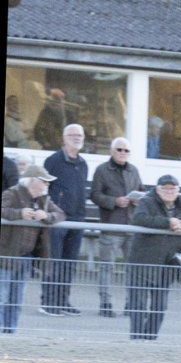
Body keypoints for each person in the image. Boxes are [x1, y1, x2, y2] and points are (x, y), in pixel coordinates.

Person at [126, 175, 181, 340]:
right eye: (165, 188)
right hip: (142, 260)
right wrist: (168, 222)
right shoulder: (147, 201)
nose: (169, 191)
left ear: (178, 190)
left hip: (167, 262)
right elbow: (139, 218)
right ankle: (137, 339)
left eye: (172, 188)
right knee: (137, 304)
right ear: (157, 189)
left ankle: (150, 338)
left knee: (160, 305)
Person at [0, 165, 65, 333]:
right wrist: (19, 213)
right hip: (6, 255)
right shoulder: (12, 193)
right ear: (32, 181)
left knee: (16, 299)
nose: (47, 185)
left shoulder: (44, 200)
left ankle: (10, 333)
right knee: (2, 297)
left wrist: (47, 216)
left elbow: (61, 215)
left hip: (26, 257)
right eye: (44, 181)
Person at [89, 137, 143, 318]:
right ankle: (105, 303)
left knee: (133, 268)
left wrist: (138, 199)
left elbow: (143, 192)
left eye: (126, 151)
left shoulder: (133, 170)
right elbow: (95, 195)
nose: (122, 153)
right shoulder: (102, 170)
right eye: (119, 150)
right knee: (106, 267)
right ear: (112, 151)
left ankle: (131, 304)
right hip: (111, 225)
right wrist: (114, 201)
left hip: (131, 226)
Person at [40, 123, 90, 316]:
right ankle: (48, 301)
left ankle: (62, 300)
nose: (77, 138)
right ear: (64, 137)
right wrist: (51, 212)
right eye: (73, 135)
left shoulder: (83, 163)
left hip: (77, 219)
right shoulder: (53, 161)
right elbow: (44, 189)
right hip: (57, 220)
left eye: (80, 135)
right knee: (54, 261)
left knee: (69, 262)